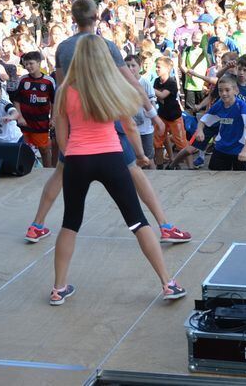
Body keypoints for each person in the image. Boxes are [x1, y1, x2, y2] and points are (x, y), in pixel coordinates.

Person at [27, 0, 191, 245]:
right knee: (134, 170)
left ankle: (36, 225)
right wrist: (151, 112)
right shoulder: (106, 46)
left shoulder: (63, 48)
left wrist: (61, 121)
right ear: (96, 18)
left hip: (75, 123)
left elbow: (61, 86)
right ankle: (165, 225)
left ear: (73, 18)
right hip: (104, 119)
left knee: (60, 173)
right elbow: (131, 82)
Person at [49, 34, 186, 304]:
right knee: (137, 220)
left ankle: (58, 288)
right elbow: (130, 126)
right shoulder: (112, 86)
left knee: (70, 223)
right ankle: (167, 283)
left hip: (77, 159)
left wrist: (72, 154)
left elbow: (61, 136)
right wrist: (140, 155)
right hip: (111, 158)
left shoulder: (65, 90)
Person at [194, 76, 246, 171]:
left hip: (239, 149)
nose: (224, 93)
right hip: (221, 148)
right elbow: (202, 121)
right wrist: (200, 131)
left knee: (244, 179)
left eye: (227, 90)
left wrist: (245, 150)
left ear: (235, 91)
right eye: (220, 90)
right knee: (215, 177)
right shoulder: (218, 105)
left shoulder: (241, 106)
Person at [15, 51, 57, 170]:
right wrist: (20, 117)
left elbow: (54, 101)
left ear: (39, 63)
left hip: (41, 121)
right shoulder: (23, 80)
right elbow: (16, 100)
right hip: (25, 121)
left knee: (43, 148)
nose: (28, 66)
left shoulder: (48, 81)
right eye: (26, 64)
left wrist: (53, 118)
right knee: (25, 148)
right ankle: (25, 171)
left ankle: (47, 171)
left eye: (31, 63)